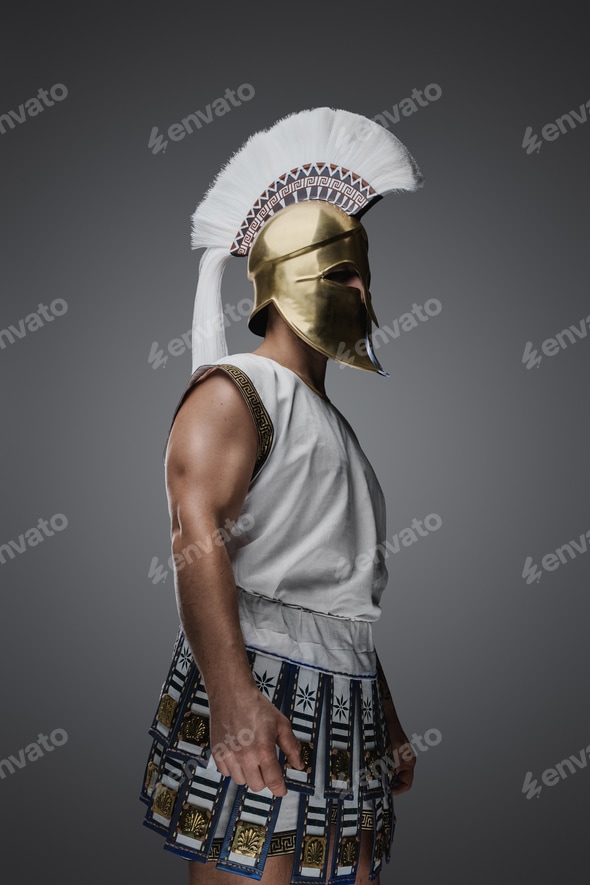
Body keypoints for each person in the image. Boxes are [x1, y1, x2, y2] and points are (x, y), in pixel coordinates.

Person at [140, 107, 423, 884]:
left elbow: (336, 593)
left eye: (363, 272)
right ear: (287, 276)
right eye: (342, 272)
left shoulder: (330, 422)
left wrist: (387, 716)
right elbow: (194, 531)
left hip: (349, 697)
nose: (362, 289)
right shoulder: (237, 389)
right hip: (262, 680)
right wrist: (232, 700)